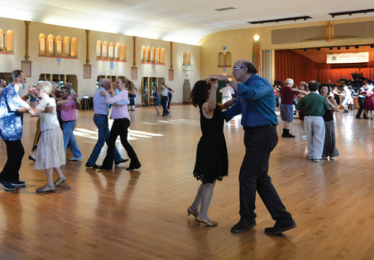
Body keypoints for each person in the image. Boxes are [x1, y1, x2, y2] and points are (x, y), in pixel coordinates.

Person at [207, 59, 296, 235]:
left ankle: (247, 219)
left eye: (235, 69)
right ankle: (283, 219)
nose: (233, 72)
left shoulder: (259, 82)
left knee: (247, 176)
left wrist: (225, 79)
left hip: (263, 134)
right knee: (260, 178)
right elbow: (238, 107)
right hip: (254, 135)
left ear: (245, 69)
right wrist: (214, 118)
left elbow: (251, 94)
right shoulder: (244, 88)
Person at [187, 80, 235, 227]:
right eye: (208, 89)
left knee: (207, 180)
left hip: (213, 144)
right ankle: (203, 215)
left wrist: (236, 99)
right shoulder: (206, 106)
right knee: (210, 182)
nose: (210, 91)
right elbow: (213, 105)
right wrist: (215, 87)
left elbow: (225, 106)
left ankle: (195, 207)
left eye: (211, 89)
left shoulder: (210, 107)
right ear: (205, 91)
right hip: (211, 146)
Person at [14, 82, 67, 192]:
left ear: (44, 91)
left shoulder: (45, 101)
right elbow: (41, 105)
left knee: (47, 157)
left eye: (38, 89)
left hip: (49, 131)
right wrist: (32, 97)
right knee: (51, 155)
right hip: (54, 130)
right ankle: (61, 176)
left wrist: (21, 103)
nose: (36, 91)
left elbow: (34, 112)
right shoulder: (49, 99)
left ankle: (50, 184)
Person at [99, 76, 141, 171]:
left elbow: (108, 101)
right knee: (112, 142)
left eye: (118, 82)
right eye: (116, 82)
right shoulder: (122, 93)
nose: (115, 84)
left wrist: (105, 94)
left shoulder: (123, 93)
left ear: (124, 84)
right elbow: (116, 103)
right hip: (118, 120)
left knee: (124, 142)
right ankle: (107, 165)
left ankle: (135, 162)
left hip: (122, 120)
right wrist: (112, 94)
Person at [86, 78, 129, 168]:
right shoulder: (103, 94)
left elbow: (112, 100)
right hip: (101, 118)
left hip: (99, 117)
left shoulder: (100, 92)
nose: (112, 85)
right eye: (110, 83)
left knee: (109, 139)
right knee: (101, 141)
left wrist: (111, 94)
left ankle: (117, 158)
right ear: (105, 85)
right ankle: (91, 161)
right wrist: (127, 101)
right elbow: (112, 101)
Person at [0, 70, 30, 191]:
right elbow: (16, 107)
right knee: (18, 152)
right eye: (24, 78)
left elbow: (18, 101)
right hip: (9, 127)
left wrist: (27, 96)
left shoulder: (12, 90)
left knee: (14, 153)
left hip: (12, 127)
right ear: (18, 79)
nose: (25, 80)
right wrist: (36, 109)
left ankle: (13, 178)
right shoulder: (10, 90)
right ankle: (4, 178)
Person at [296, 81, 331, 162]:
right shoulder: (322, 98)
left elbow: (297, 109)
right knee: (319, 138)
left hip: (307, 118)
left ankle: (310, 155)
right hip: (318, 118)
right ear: (318, 88)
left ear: (308, 88)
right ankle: (317, 157)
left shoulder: (304, 98)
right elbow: (328, 108)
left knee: (309, 137)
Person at [57, 86, 83, 161]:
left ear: (68, 93)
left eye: (63, 92)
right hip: (65, 123)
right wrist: (70, 99)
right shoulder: (63, 100)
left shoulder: (72, 100)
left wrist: (74, 100)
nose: (61, 93)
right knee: (71, 140)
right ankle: (78, 155)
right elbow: (58, 102)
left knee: (64, 140)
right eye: (60, 92)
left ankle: (59, 158)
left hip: (70, 123)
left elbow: (79, 107)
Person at [319, 85, 340, 160]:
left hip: (328, 119)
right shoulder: (318, 97)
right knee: (321, 137)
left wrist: (330, 103)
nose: (323, 90)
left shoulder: (330, 98)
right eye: (322, 89)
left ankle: (331, 153)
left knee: (329, 136)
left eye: (325, 89)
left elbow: (337, 109)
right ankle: (323, 152)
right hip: (319, 119)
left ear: (328, 90)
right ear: (319, 89)